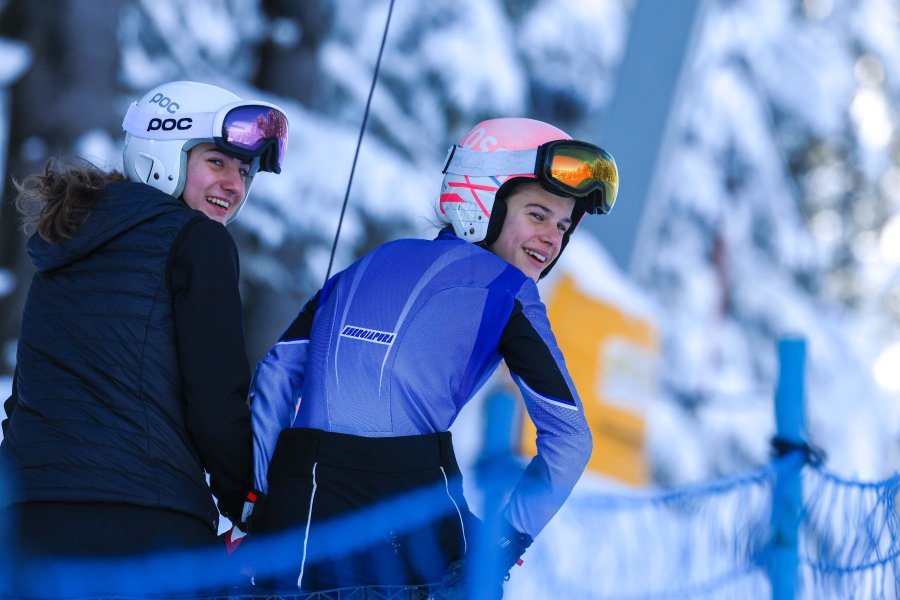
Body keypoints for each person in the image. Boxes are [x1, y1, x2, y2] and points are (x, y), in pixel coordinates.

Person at [247, 117, 618, 595]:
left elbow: (278, 372)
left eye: (564, 226)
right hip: (406, 521)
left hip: (296, 513)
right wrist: (504, 544)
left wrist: (258, 497)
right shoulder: (508, 290)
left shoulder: (372, 261)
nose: (552, 238)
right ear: (484, 201)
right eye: (537, 215)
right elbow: (570, 440)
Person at [0, 80, 289, 598]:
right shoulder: (198, 241)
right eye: (218, 162)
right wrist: (249, 499)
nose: (235, 185)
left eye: (244, 172)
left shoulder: (65, 240)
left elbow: (24, 395)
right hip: (145, 525)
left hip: (27, 525)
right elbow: (214, 398)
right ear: (164, 152)